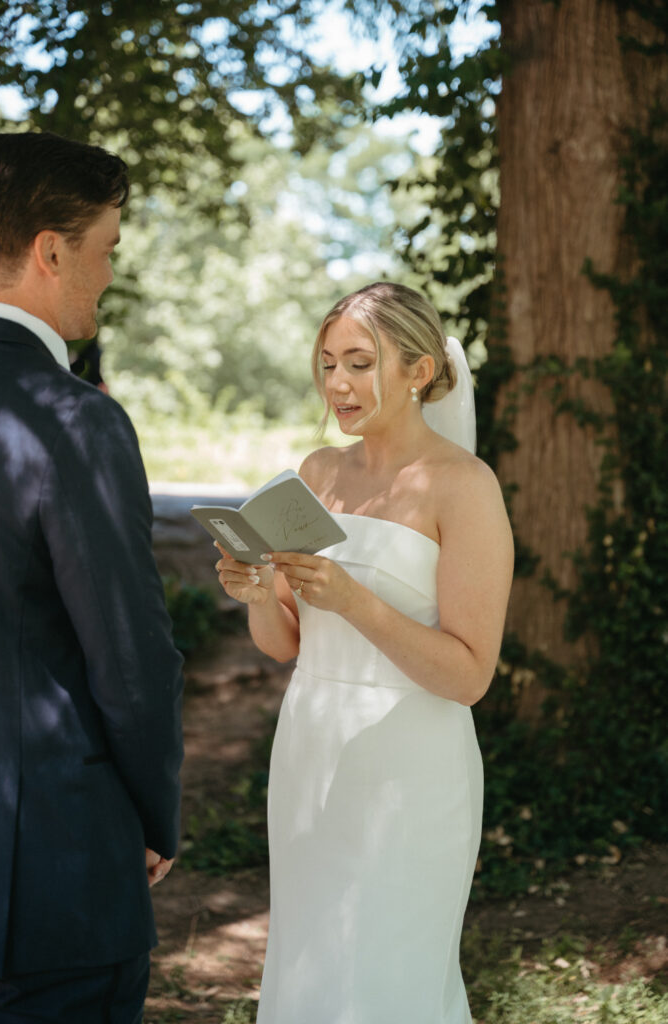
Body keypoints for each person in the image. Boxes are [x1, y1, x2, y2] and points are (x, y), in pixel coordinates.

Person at [216, 281, 514, 1023]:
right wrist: (257, 590)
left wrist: (354, 600)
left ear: (418, 371)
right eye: (327, 364)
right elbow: (286, 642)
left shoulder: (465, 487)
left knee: (389, 971)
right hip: (311, 749)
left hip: (411, 768)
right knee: (311, 959)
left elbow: (471, 674)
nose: (338, 384)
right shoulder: (317, 475)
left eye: (358, 362)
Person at [0, 132, 184, 1023]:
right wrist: (150, 815)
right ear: (50, 250)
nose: (108, 274)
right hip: (46, 887)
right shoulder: (76, 422)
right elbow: (130, 656)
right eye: (106, 249)